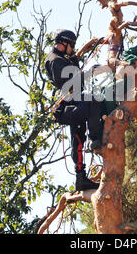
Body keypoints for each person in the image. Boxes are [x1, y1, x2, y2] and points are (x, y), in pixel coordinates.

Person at [45, 29, 104, 191]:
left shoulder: (62, 58)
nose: (73, 49)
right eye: (72, 45)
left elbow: (74, 58)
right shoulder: (55, 61)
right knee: (93, 99)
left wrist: (91, 43)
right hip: (66, 107)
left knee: (77, 138)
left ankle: (81, 179)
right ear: (65, 44)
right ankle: (94, 139)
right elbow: (67, 81)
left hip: (73, 104)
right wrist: (88, 73)